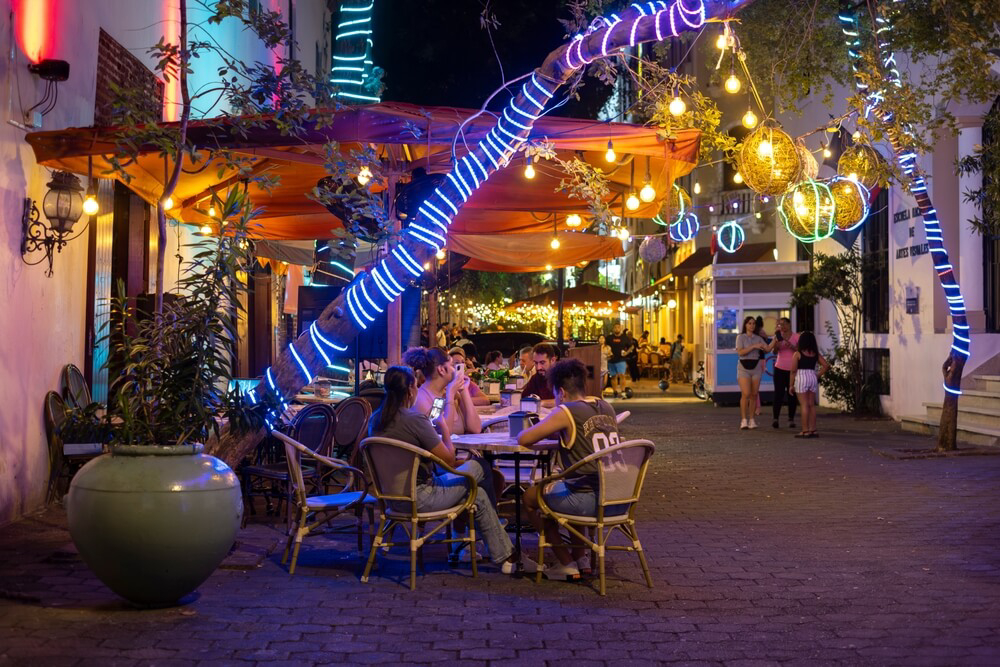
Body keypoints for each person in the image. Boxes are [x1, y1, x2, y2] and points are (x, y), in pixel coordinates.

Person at [368, 366, 534, 573]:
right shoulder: (415, 420)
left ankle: (507, 558)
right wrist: (444, 429)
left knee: (478, 494)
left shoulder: (375, 420)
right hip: (422, 497)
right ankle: (496, 528)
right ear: (411, 390)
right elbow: (448, 457)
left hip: (391, 500)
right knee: (480, 466)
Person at [518, 358, 624, 580]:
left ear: (561, 392)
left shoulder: (566, 412)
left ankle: (566, 562)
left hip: (588, 501)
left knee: (530, 498)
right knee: (573, 482)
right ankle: (581, 558)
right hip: (618, 499)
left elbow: (524, 438)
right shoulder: (606, 406)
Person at [402, 347, 482, 437]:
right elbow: (442, 434)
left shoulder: (454, 395)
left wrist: (464, 390)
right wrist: (450, 395)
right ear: (442, 370)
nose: (455, 370)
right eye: (452, 365)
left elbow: (475, 428)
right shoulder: (421, 397)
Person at [735, 316, 775, 429]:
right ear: (745, 325)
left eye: (753, 323)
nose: (752, 325)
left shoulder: (758, 338)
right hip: (743, 367)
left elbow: (767, 349)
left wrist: (775, 339)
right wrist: (753, 346)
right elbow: (740, 352)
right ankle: (743, 420)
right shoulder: (740, 337)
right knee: (746, 393)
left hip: (756, 366)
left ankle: (752, 419)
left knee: (754, 394)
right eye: (749, 323)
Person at [790, 331, 830, 438]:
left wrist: (791, 385)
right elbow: (826, 365)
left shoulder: (797, 354)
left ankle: (805, 430)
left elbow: (793, 371)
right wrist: (817, 375)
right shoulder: (815, 353)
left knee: (804, 405)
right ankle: (813, 429)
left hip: (801, 377)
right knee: (811, 404)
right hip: (812, 376)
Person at [771, 317, 799, 429]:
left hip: (792, 370)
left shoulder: (796, 336)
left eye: (784, 324)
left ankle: (791, 419)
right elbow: (774, 351)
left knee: (791, 394)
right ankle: (775, 419)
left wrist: (792, 347)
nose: (782, 326)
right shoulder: (778, 337)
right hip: (779, 368)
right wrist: (776, 347)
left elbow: (800, 351)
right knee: (778, 394)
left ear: (789, 324)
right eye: (780, 325)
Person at [519, 343, 558, 408]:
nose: (538, 367)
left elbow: (569, 401)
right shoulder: (536, 378)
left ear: (553, 360)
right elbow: (524, 398)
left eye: (542, 362)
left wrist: (541, 403)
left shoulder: (564, 377)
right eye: (536, 363)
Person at [606, 323, 628, 398]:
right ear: (613, 329)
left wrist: (626, 353)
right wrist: (608, 352)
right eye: (615, 327)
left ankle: (623, 391)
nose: (617, 329)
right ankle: (615, 391)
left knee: (622, 375)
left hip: (621, 360)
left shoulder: (624, 338)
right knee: (613, 376)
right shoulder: (609, 338)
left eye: (618, 327)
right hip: (611, 360)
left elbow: (631, 346)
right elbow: (605, 346)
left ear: (620, 328)